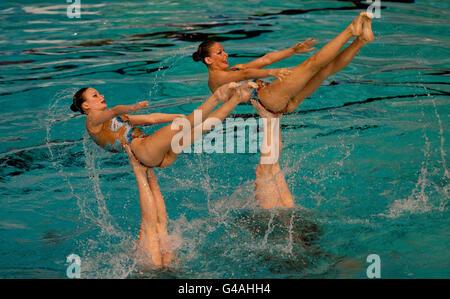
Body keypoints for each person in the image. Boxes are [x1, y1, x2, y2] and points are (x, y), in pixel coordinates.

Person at [193, 11, 374, 209]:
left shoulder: (231, 70)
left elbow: (265, 59)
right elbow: (249, 72)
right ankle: (350, 31)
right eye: (219, 52)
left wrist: (292, 51)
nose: (225, 54)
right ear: (208, 60)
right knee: (313, 64)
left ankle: (360, 41)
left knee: (323, 70)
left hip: (277, 105)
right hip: (269, 99)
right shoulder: (216, 79)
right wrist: (271, 73)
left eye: (224, 50)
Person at [70, 81, 258, 266]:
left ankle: (236, 99)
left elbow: (151, 118)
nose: (101, 96)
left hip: (156, 156)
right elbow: (114, 110)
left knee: (202, 126)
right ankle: (218, 96)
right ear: (86, 105)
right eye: (95, 95)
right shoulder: (92, 120)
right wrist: (135, 107)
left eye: (99, 93)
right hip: (144, 150)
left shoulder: (118, 119)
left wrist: (174, 116)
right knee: (189, 123)